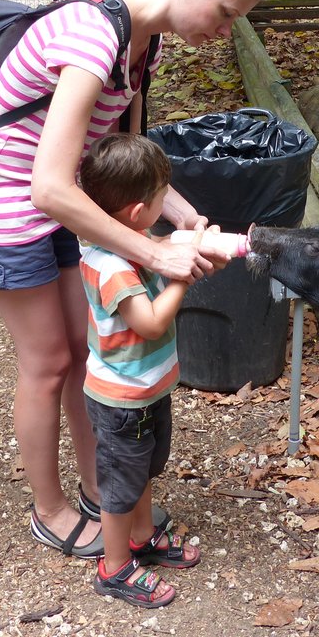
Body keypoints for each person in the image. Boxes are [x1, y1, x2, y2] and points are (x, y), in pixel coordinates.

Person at [0, 0, 271, 558]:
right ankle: (49, 508)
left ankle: (105, 491)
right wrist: (153, 252)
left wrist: (184, 219)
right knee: (50, 361)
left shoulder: (142, 43)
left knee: (88, 350)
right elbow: (48, 188)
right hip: (5, 199)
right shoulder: (94, 36)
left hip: (70, 194)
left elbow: (117, 157)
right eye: (226, 10)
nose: (224, 30)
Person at [77, 133, 203, 608]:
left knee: (144, 468)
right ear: (135, 212)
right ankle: (114, 567)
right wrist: (180, 279)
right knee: (120, 485)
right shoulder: (110, 265)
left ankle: (142, 536)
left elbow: (160, 246)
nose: (162, 211)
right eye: (159, 201)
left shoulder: (133, 239)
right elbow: (148, 323)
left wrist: (187, 244)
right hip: (121, 401)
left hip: (147, 391)